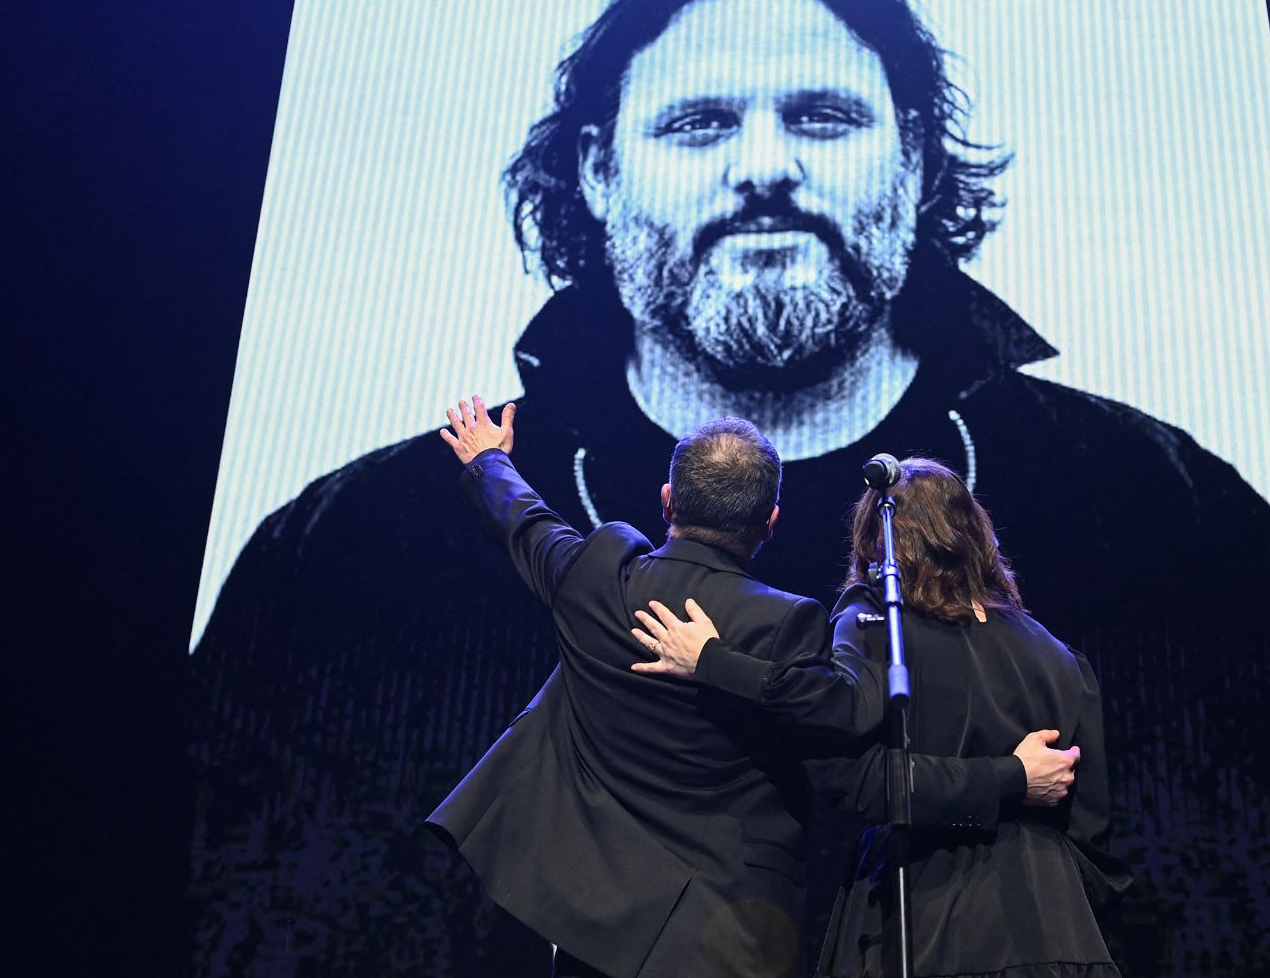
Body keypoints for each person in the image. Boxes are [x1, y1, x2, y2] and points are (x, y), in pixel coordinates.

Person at [189, 0, 1270, 976]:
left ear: (918, 156)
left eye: (826, 117)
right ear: (596, 170)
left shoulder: (1182, 515)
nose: (766, 169)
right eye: (697, 124)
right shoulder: (331, 551)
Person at [425, 407, 1081, 978]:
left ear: (667, 502)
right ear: (770, 521)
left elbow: (527, 523)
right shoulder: (786, 623)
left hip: (591, 923)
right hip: (726, 937)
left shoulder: (597, 578)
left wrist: (487, 460)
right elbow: (851, 729)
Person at [634, 457, 1129, 977]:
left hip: (921, 918)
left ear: (875, 541)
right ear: (974, 533)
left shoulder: (876, 627)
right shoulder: (1060, 657)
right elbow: (1094, 832)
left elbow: (861, 784)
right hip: (1058, 932)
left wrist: (715, 663)